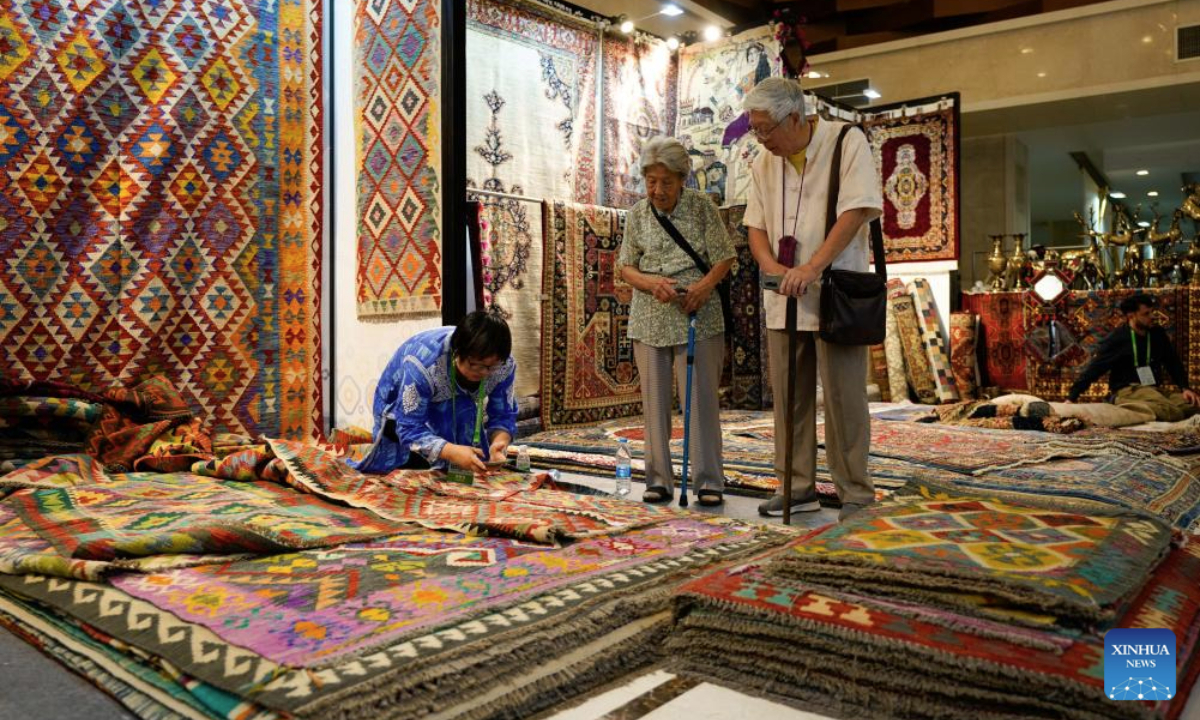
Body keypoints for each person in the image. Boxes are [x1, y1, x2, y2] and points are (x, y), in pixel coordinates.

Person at [741, 77, 882, 522]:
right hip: (783, 296)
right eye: (755, 129)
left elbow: (856, 210)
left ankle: (855, 492)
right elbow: (756, 226)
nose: (760, 138)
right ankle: (796, 486)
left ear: (796, 118)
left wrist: (812, 267)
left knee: (843, 397)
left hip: (835, 291)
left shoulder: (846, 141)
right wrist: (771, 267)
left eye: (766, 129)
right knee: (790, 399)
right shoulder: (764, 160)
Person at [618, 136, 735, 506]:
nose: (657, 190)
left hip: (697, 313)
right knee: (654, 404)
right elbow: (625, 267)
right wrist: (651, 283)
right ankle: (658, 480)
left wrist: (702, 288)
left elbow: (724, 257)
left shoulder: (702, 207)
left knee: (699, 402)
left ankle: (708, 482)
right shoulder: (637, 214)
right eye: (651, 181)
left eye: (666, 182)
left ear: (682, 178)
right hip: (650, 316)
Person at [351, 311, 519, 474]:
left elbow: (503, 414)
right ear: (457, 352)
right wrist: (451, 451)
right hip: (398, 411)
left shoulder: (503, 364)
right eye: (476, 364)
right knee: (409, 470)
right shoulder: (423, 365)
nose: (484, 372)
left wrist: (499, 442)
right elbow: (409, 427)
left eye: (491, 367)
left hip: (457, 407)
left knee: (469, 453)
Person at [1067, 293, 1200, 420]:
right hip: (1128, 390)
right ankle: (1116, 401)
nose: (1152, 317)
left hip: (1153, 389)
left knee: (1194, 406)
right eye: (1146, 314)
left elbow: (1173, 362)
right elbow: (1095, 369)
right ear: (1131, 315)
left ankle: (1154, 406)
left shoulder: (1157, 334)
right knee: (1172, 412)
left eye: (1152, 312)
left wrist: (1185, 388)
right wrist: (1072, 397)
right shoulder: (1118, 338)